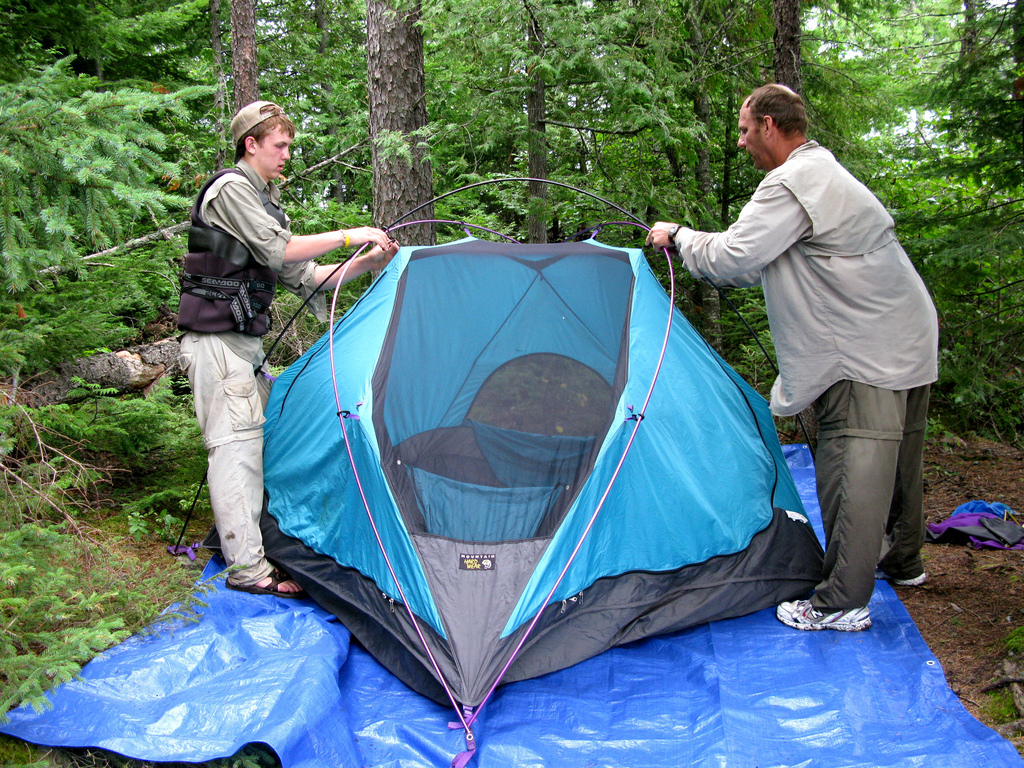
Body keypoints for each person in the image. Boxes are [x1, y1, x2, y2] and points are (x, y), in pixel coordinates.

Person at [646, 84, 938, 632]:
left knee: (854, 462)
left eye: (744, 129)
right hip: (907, 333)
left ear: (771, 127)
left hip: (864, 349)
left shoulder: (791, 181)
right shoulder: (823, 172)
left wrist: (679, 237)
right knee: (899, 459)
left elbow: (735, 258)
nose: (740, 142)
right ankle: (903, 562)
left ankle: (841, 602)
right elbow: (763, 262)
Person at [177, 101, 399, 598]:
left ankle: (258, 553)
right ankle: (250, 573)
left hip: (244, 350)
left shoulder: (266, 204)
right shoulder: (231, 189)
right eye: (279, 145)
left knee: (260, 448)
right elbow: (281, 250)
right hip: (217, 346)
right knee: (235, 454)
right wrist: (349, 234)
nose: (287, 155)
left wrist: (369, 260)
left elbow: (313, 280)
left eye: (289, 147)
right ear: (250, 145)